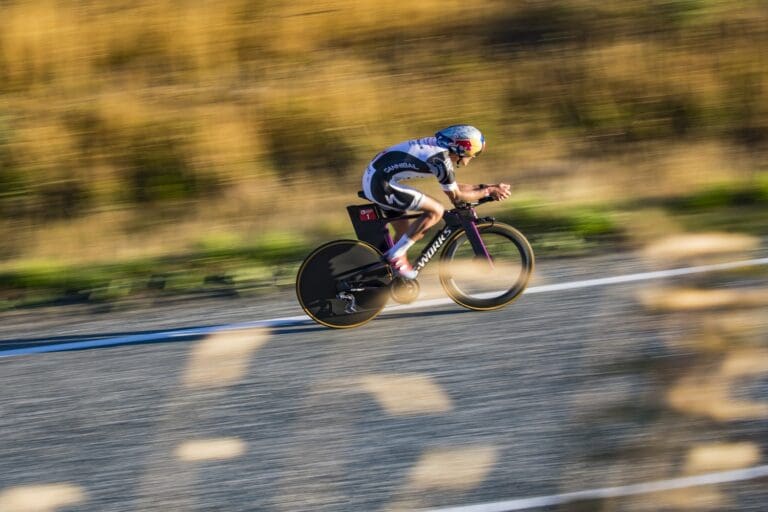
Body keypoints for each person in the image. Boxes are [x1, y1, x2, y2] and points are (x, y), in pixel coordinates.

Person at [361, 124, 511, 279]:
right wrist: (487, 192)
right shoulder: (439, 159)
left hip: (377, 179)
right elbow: (456, 196)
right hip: (380, 185)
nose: (472, 158)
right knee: (436, 211)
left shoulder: (438, 149)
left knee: (406, 232)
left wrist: (488, 187)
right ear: (463, 149)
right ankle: (394, 256)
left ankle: (395, 276)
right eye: (473, 154)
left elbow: (453, 186)